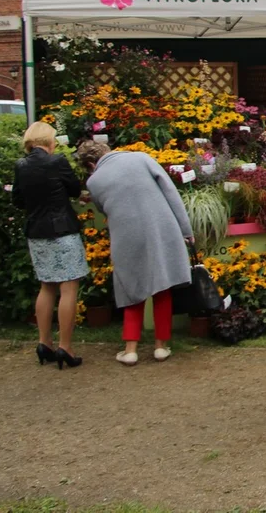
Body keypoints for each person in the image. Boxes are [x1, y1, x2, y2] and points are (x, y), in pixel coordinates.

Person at [78, 141, 194, 367]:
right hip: (160, 228)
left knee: (130, 288)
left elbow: (104, 209)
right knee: (162, 287)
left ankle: (130, 349)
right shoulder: (141, 157)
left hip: (125, 235)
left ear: (91, 164)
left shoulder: (94, 181)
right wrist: (186, 230)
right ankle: (161, 347)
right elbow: (170, 192)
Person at [12, 122, 87, 369]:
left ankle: (44, 343)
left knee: (46, 286)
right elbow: (75, 189)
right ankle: (65, 346)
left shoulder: (21, 166)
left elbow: (18, 201)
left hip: (36, 232)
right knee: (68, 288)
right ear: (49, 141)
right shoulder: (57, 162)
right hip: (62, 230)